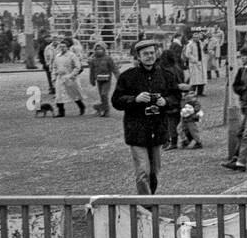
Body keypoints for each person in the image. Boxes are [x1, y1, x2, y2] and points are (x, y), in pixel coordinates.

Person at [111, 40, 178, 194]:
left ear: (156, 54)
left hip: (157, 129)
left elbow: (175, 97)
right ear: (138, 57)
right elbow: (116, 101)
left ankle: (151, 198)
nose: (149, 56)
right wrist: (135, 99)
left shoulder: (166, 76)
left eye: (151, 53)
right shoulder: (127, 77)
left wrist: (165, 101)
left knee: (154, 171)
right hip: (136, 129)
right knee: (143, 171)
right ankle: (145, 204)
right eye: (145, 54)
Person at [50, 39, 87, 117]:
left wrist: (72, 75)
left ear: (67, 47)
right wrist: (53, 76)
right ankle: (61, 111)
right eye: (61, 47)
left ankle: (81, 106)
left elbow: (77, 66)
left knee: (74, 94)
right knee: (59, 95)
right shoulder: (57, 56)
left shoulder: (72, 55)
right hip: (60, 77)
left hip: (70, 77)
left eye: (64, 47)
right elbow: (54, 67)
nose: (62, 48)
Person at [86, 43, 119, 117]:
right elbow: (92, 71)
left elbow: (114, 68)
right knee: (102, 96)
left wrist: (119, 78)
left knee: (104, 94)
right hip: (99, 80)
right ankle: (101, 109)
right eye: (97, 49)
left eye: (100, 49)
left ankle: (105, 110)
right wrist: (92, 80)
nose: (99, 51)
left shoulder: (108, 58)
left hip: (107, 80)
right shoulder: (93, 60)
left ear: (104, 50)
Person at [184, 31, 206, 96]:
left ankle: (200, 92)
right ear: (192, 38)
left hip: (201, 62)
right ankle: (192, 92)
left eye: (197, 37)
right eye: (195, 37)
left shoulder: (201, 43)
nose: (196, 38)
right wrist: (194, 59)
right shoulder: (190, 44)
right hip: (194, 63)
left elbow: (203, 51)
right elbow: (187, 54)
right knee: (194, 79)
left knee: (201, 79)